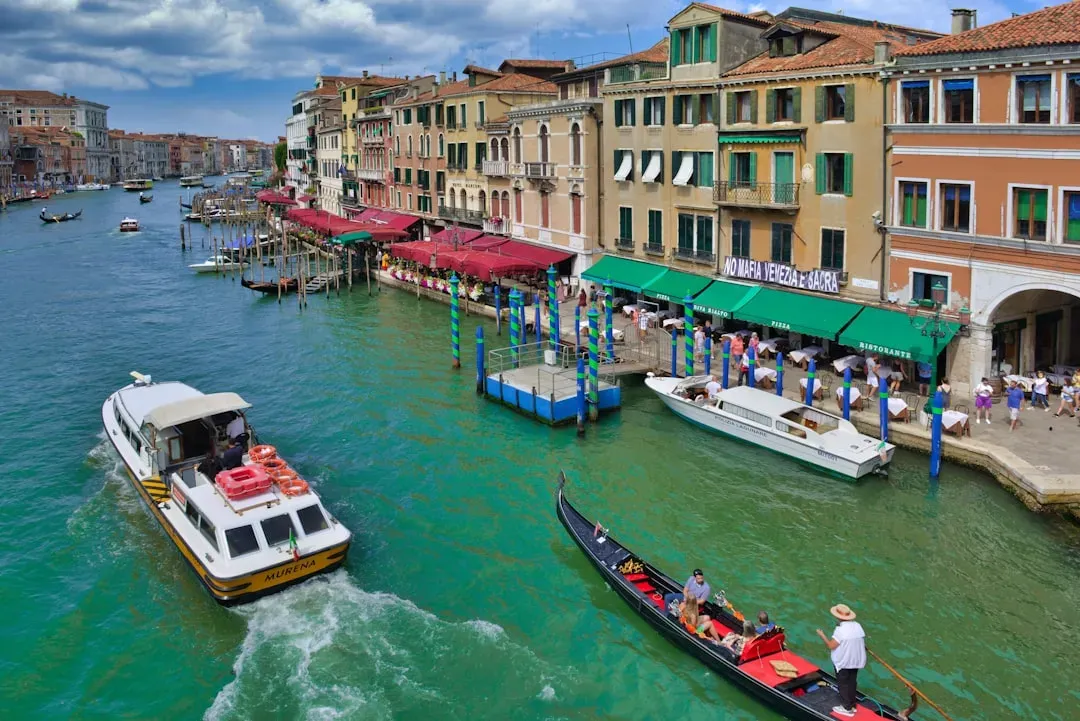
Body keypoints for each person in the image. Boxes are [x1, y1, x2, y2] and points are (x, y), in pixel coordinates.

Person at [816, 603, 866, 718]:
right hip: (856, 660)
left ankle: (846, 708)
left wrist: (822, 635)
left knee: (843, 683)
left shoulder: (840, 630)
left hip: (844, 661)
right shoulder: (858, 626)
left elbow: (831, 646)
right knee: (852, 682)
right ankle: (852, 704)